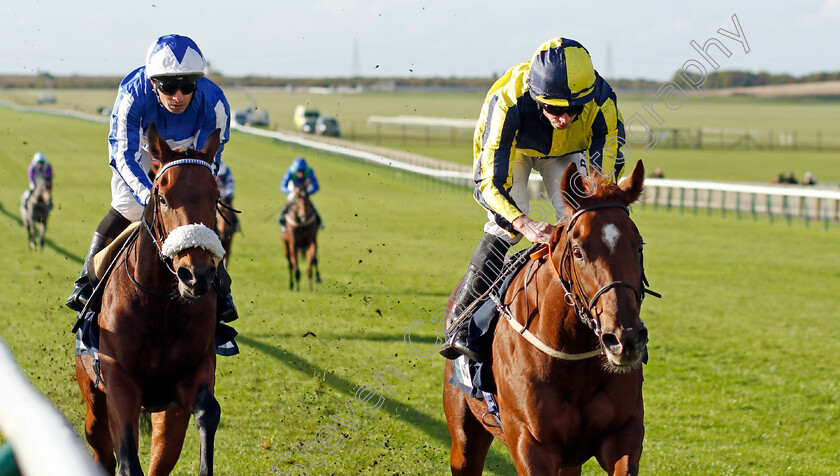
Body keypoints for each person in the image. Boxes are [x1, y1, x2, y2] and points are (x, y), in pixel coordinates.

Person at [439, 38, 627, 361]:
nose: (564, 118)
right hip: (515, 150)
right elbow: (489, 183)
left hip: (566, 151)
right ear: (537, 96)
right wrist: (524, 224)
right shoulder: (507, 102)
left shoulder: (602, 101)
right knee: (506, 227)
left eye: (573, 109)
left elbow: (606, 167)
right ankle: (461, 322)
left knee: (584, 218)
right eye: (555, 108)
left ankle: (616, 316)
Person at [65, 34, 238, 326]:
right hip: (142, 150)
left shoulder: (215, 103)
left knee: (194, 212)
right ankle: (87, 282)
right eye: (169, 87)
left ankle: (221, 291)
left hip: (191, 154)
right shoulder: (133, 95)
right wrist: (149, 197)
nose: (178, 96)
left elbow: (209, 162)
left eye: (187, 86)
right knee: (127, 206)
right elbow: (123, 155)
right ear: (153, 83)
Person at [278, 156, 323, 232]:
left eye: (302, 172)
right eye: (298, 172)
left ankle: (318, 221)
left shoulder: (309, 171)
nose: (300, 174)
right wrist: (291, 192)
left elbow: (316, 186)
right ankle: (282, 221)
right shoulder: (290, 171)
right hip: (293, 188)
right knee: (289, 204)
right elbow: (282, 186)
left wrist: (308, 193)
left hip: (305, 189)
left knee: (309, 204)